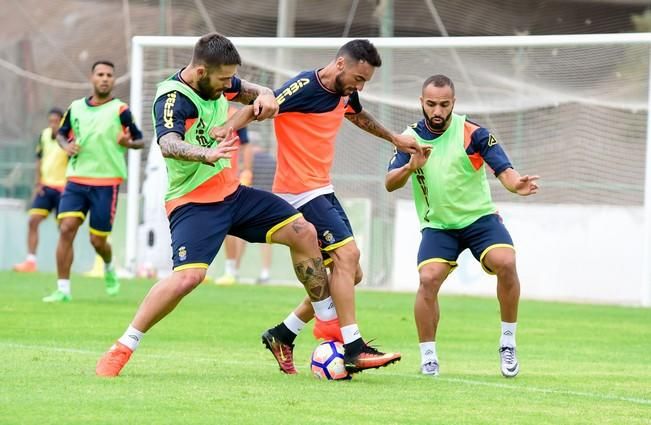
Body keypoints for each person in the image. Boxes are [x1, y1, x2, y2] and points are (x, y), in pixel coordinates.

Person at [95, 33, 332, 378]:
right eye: (222, 80)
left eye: (229, 80)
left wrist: (266, 97)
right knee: (189, 278)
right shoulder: (173, 98)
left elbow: (257, 90)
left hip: (232, 194)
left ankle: (329, 330)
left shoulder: (220, 80)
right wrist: (206, 153)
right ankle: (123, 346)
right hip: (193, 202)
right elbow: (169, 144)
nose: (227, 87)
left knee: (303, 232)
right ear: (201, 71)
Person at [215, 39, 420, 374]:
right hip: (298, 192)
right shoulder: (303, 86)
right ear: (341, 63)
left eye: (365, 81)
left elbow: (356, 114)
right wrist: (228, 127)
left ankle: (283, 333)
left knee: (351, 273)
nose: (360, 86)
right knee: (347, 257)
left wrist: (395, 139)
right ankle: (353, 347)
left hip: (321, 189)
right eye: (358, 77)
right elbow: (260, 107)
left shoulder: (345, 91)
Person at [385, 74, 539, 378]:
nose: (438, 111)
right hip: (439, 226)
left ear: (453, 103)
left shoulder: (473, 133)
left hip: (479, 219)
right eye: (431, 104)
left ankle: (507, 342)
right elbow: (390, 183)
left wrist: (515, 184)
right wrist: (409, 167)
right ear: (422, 103)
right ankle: (429, 358)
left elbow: (504, 170)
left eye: (444, 104)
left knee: (506, 262)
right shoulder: (409, 138)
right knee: (428, 279)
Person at [42, 61, 144, 302]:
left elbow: (139, 140)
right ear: (92, 78)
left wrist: (128, 143)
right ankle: (63, 290)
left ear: (114, 80)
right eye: (100, 74)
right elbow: (61, 134)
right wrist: (67, 146)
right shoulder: (75, 108)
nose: (105, 78)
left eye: (109, 75)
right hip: (76, 179)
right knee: (66, 228)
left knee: (97, 241)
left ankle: (108, 265)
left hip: (106, 183)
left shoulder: (121, 110)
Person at [13, 108, 67, 273]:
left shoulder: (67, 139)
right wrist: (38, 183)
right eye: (51, 121)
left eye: (56, 121)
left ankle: (64, 267)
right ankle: (30, 262)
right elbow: (39, 159)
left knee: (65, 230)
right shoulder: (43, 136)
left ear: (63, 122)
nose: (53, 125)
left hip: (63, 189)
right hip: (46, 187)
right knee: (33, 220)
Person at [214, 143, 276, 285]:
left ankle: (234, 271)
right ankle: (264, 272)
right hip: (266, 200)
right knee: (267, 238)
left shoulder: (247, 158)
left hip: (251, 200)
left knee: (240, 235)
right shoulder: (269, 159)